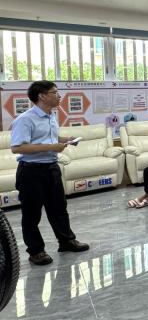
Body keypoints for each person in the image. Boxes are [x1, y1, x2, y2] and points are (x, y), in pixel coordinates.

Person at [10, 80, 89, 265]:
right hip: (31, 171)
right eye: (55, 92)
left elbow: (49, 138)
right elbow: (17, 147)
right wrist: (52, 147)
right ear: (42, 96)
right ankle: (36, 251)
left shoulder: (51, 115)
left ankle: (66, 241)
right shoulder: (25, 119)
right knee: (31, 214)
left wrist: (66, 139)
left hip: (51, 168)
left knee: (59, 208)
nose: (59, 96)